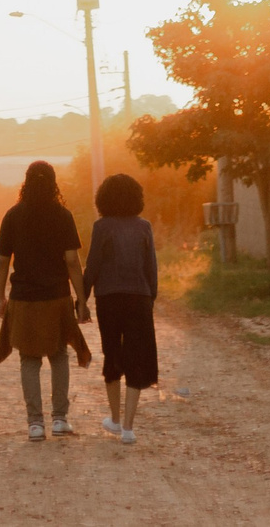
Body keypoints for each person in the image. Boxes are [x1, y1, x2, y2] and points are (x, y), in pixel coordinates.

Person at [0, 159, 84, 441]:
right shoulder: (63, 215)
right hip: (56, 297)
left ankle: (35, 424)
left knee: (29, 359)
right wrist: (81, 298)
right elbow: (71, 260)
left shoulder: (13, 215)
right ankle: (60, 419)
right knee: (59, 355)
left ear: (26, 182)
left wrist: (1, 297)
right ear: (54, 183)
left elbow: (2, 262)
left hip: (24, 298)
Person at [77, 171, 158, 445]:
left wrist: (82, 300)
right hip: (140, 298)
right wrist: (150, 299)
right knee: (136, 357)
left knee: (112, 353)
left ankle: (113, 417)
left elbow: (93, 266)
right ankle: (128, 428)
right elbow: (151, 268)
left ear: (104, 198)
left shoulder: (102, 227)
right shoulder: (144, 226)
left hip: (109, 298)